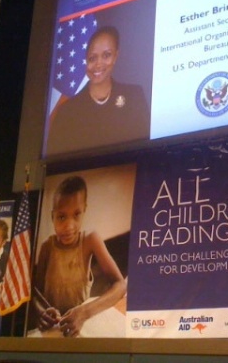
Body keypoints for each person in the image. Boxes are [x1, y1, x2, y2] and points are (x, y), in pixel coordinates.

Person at [32, 175, 126, 338]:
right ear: (52, 216)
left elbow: (120, 285)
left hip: (81, 323)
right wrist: (42, 312)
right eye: (61, 217)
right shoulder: (47, 247)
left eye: (76, 214)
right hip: (55, 327)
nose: (69, 226)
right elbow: (36, 294)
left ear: (84, 211)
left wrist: (83, 313)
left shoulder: (90, 240)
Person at [46, 25, 150, 157]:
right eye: (92, 58)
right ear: (85, 60)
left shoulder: (134, 97)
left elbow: (147, 150)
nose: (98, 64)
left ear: (116, 56)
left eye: (106, 55)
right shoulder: (67, 112)